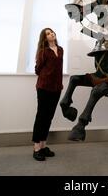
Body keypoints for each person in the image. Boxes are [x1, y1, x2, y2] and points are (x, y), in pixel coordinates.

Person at [32, 28, 63, 161]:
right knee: (41, 116)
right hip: (44, 87)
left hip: (56, 88)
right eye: (48, 33)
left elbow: (59, 68)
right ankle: (37, 147)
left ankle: (44, 145)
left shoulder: (60, 49)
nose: (52, 34)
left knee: (49, 117)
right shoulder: (43, 51)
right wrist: (47, 77)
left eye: (52, 32)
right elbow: (37, 69)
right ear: (45, 38)